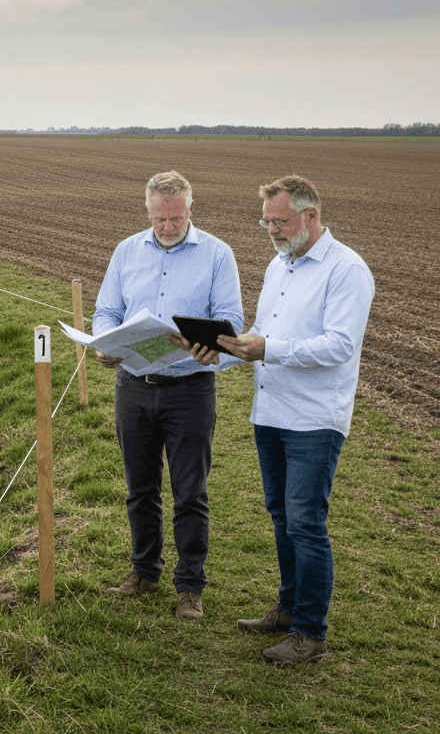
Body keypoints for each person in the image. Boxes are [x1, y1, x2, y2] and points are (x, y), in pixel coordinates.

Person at [179, 175, 374, 666]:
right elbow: (266, 335)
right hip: (271, 411)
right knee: (282, 517)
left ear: (310, 215)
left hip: (315, 419)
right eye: (265, 220)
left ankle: (311, 632)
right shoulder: (279, 265)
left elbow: (340, 345)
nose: (270, 230)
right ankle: (288, 610)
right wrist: (225, 349)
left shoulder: (346, 270)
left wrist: (268, 348)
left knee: (307, 523)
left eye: (278, 220)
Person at [94, 171, 244, 619]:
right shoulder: (126, 251)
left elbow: (230, 320)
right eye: (160, 219)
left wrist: (206, 347)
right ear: (147, 210)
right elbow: (106, 309)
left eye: (176, 218)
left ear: (190, 209)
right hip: (133, 388)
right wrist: (105, 342)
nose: (167, 227)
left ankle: (190, 587)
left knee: (189, 492)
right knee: (140, 488)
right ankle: (144, 571)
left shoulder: (218, 255)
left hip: (190, 390)